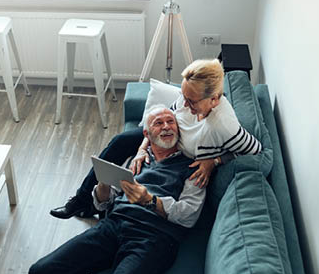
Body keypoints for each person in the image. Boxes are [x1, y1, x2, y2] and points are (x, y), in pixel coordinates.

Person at [50, 59, 261, 219]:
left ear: (214, 99)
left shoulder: (224, 125)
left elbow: (256, 152)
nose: (185, 104)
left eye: (191, 100)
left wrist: (214, 161)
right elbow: (172, 111)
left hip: (179, 156)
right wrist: (143, 147)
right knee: (120, 142)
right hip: (168, 136)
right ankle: (82, 199)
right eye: (184, 97)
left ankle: (102, 205)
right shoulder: (189, 96)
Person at [30, 106, 206, 274]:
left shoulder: (193, 168)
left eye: (171, 122)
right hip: (113, 226)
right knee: (39, 272)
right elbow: (104, 203)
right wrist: (103, 187)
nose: (166, 126)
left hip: (153, 238)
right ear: (147, 134)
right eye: (158, 123)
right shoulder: (135, 160)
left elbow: (189, 215)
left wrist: (151, 201)